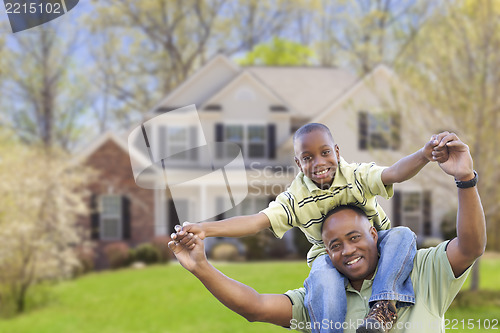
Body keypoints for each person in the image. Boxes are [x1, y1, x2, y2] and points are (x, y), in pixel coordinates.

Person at [169, 132, 486, 333]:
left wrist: (460, 176)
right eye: (335, 244)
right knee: (322, 274)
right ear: (298, 162)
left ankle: (384, 305)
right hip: (323, 274)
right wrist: (201, 257)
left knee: (403, 234)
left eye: (354, 238)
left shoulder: (420, 272)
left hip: (394, 250)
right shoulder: (322, 293)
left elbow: (470, 247)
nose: (347, 250)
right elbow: (253, 304)